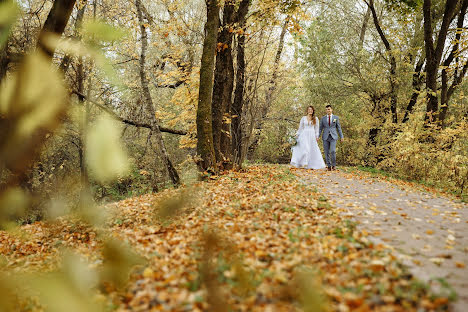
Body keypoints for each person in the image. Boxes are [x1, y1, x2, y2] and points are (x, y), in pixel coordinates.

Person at [319, 104, 344, 171]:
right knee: (326, 152)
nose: (328, 110)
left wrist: (341, 136)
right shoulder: (323, 118)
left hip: (333, 136)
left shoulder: (336, 118)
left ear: (331, 109)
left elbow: (339, 128)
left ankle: (334, 165)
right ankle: (329, 166)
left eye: (329, 109)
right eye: (326, 109)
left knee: (333, 151)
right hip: (325, 137)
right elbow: (320, 128)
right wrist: (318, 136)